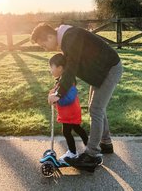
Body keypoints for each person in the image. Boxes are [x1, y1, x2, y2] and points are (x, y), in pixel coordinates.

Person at [31, 23, 123, 171]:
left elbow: (71, 69)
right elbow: (70, 67)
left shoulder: (70, 37)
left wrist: (59, 94)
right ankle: (105, 143)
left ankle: (91, 155)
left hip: (110, 69)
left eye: (44, 45)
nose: (45, 49)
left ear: (50, 36)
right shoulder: (67, 38)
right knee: (97, 106)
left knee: (96, 109)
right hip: (101, 72)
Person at [48, 53, 88, 162]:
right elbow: (59, 92)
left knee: (67, 131)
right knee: (77, 128)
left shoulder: (67, 80)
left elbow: (68, 97)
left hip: (70, 111)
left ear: (60, 68)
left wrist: (57, 98)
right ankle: (89, 146)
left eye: (51, 67)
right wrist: (53, 93)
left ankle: (72, 152)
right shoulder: (63, 79)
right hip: (70, 111)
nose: (50, 70)